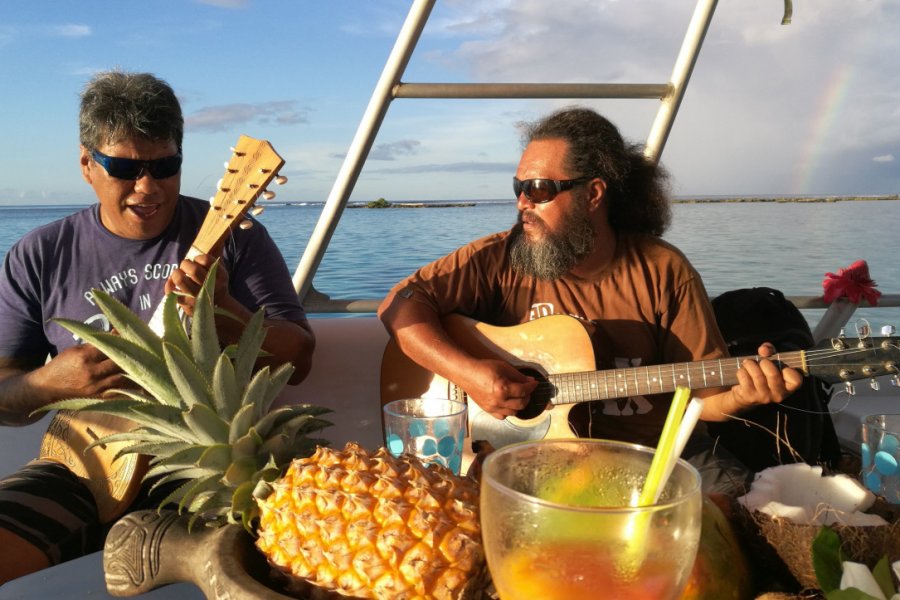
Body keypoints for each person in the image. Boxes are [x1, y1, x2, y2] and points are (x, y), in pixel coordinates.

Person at [378, 106, 803, 495]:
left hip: (655, 455)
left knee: (745, 509)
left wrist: (745, 396)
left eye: (540, 188)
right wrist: (470, 375)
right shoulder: (498, 258)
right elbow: (397, 307)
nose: (522, 202)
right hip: (534, 457)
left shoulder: (662, 269)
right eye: (518, 186)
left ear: (594, 194)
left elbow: (706, 400)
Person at [0, 71, 315, 582]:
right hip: (83, 467)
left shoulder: (237, 238)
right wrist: (47, 383)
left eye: (165, 166)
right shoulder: (40, 254)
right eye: (124, 167)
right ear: (87, 164)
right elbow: (4, 399)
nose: (147, 186)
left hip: (213, 476)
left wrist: (228, 315)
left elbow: (299, 360)